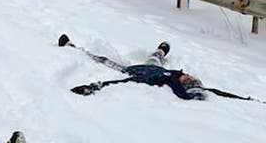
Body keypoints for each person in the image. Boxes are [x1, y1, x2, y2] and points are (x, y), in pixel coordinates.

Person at [60, 36, 207, 100]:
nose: (188, 74)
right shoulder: (173, 75)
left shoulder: (156, 80)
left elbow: (120, 84)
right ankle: (161, 50)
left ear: (182, 84)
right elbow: (213, 91)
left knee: (103, 60)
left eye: (188, 78)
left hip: (131, 71)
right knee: (155, 57)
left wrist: (91, 87)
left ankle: (72, 46)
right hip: (153, 65)